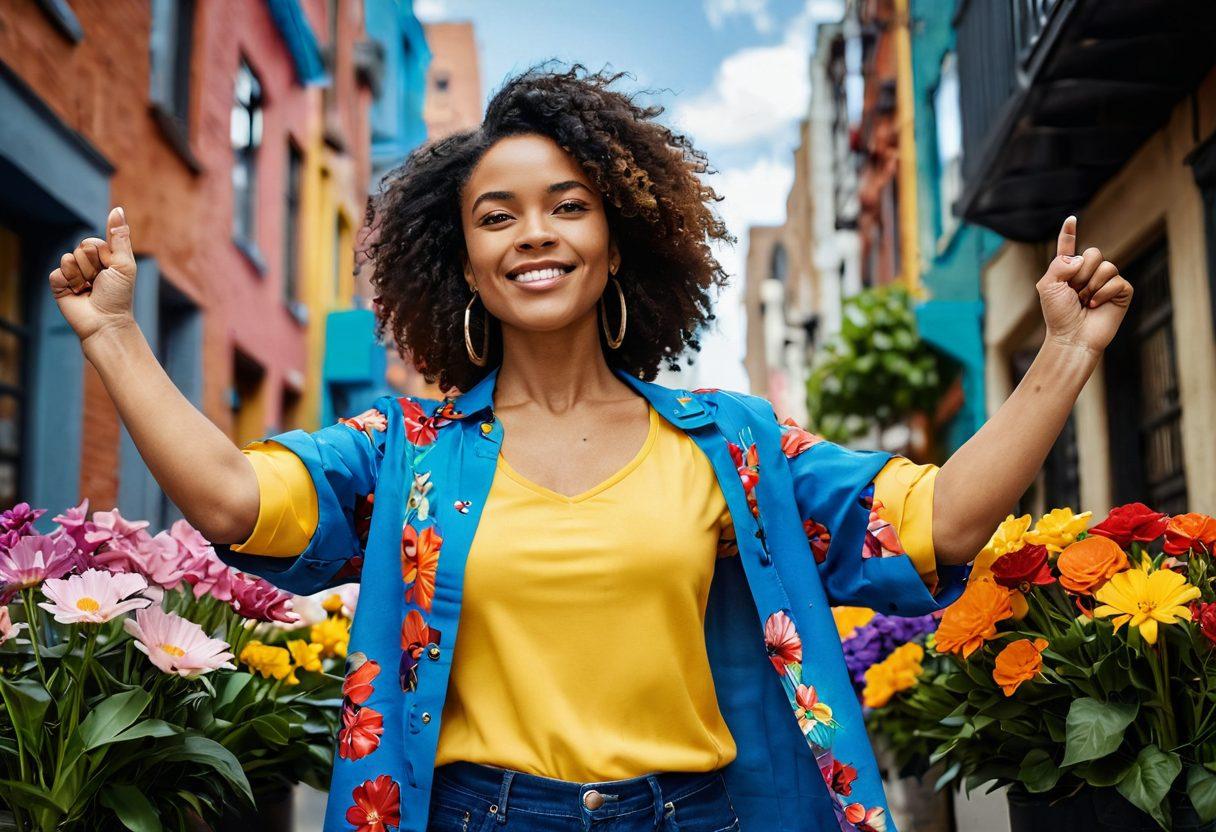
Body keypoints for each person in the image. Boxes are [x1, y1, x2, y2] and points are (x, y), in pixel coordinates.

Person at [49, 65, 1132, 832]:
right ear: (463, 264)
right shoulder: (404, 451)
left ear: (616, 245)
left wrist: (1065, 354)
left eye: (567, 206)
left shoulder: (732, 445)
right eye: (496, 216)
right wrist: (116, 338)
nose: (534, 233)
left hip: (693, 815)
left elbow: (940, 521)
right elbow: (233, 501)